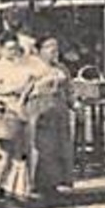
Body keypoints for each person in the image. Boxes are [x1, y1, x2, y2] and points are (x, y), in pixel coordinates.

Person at [0, 32, 40, 199]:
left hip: (19, 107)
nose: (13, 52)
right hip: (0, 109)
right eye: (9, 49)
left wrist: (27, 96)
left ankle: (18, 189)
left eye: (15, 49)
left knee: (21, 150)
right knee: (1, 151)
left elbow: (33, 86)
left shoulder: (25, 68)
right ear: (1, 49)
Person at [26, 36, 76, 196]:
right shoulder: (32, 67)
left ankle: (55, 182)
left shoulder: (62, 68)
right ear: (39, 50)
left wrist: (73, 103)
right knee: (42, 147)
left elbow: (69, 89)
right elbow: (25, 89)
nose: (54, 50)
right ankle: (36, 183)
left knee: (60, 146)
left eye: (56, 47)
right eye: (49, 47)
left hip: (59, 109)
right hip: (39, 108)